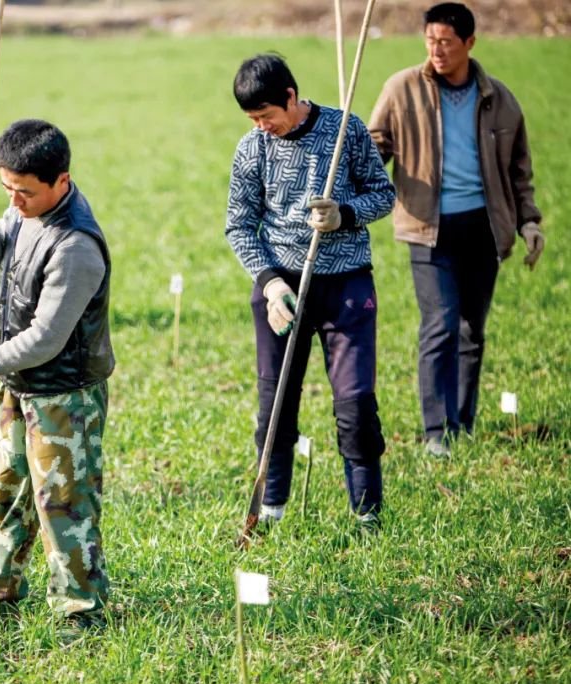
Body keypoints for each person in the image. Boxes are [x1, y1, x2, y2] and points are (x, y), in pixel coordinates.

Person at [0, 119, 113, 630]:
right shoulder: (25, 214)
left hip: (64, 394)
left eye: (25, 192)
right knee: (8, 491)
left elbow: (45, 339)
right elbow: (7, 254)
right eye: (6, 189)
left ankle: (80, 612)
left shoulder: (76, 246)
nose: (14, 202)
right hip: (20, 387)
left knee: (64, 506)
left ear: (62, 181)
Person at [225, 54, 395, 530]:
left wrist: (345, 212)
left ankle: (368, 515)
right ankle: (272, 508)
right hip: (282, 288)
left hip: (346, 283)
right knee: (275, 405)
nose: (262, 127)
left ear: (291, 98)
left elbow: (383, 193)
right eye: (253, 120)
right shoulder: (252, 148)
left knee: (356, 404)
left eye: (267, 116)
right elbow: (238, 226)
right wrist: (271, 283)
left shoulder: (346, 131)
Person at [369, 3, 545, 458]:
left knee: (471, 329)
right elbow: (374, 146)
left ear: (469, 43)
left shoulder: (499, 98)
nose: (437, 50)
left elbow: (519, 169)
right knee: (440, 324)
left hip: (484, 227)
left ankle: (461, 423)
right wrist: (357, 169)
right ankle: (435, 432)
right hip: (427, 226)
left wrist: (529, 220)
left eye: (446, 42)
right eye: (430, 41)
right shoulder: (402, 88)